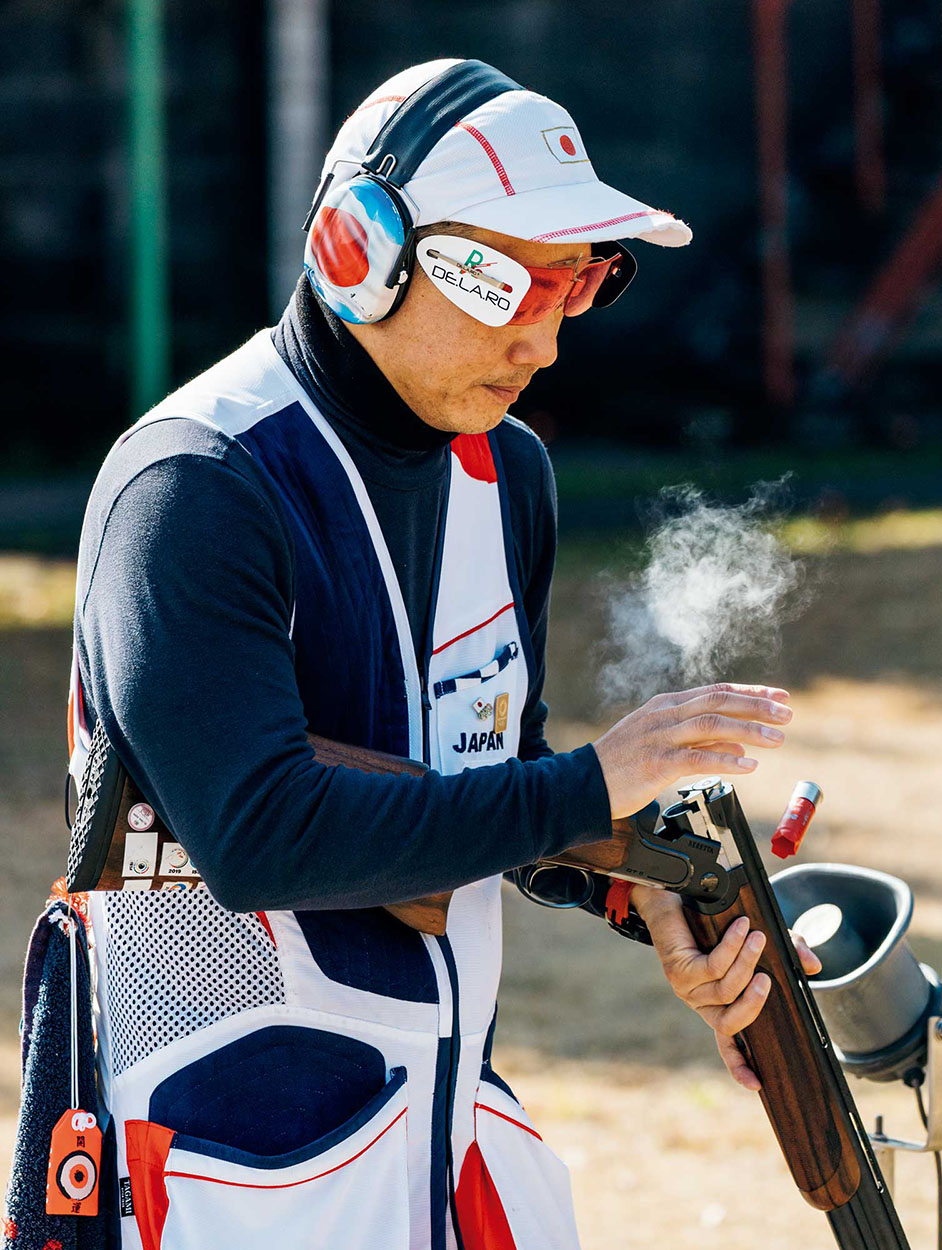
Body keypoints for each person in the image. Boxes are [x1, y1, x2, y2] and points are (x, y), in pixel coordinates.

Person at [61, 58, 815, 1250]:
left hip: (440, 1125)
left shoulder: (506, 473)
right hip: (213, 1158)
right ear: (359, 250)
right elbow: (262, 833)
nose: (546, 337)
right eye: (503, 278)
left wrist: (636, 886)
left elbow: (482, 780)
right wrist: (587, 787)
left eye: (578, 283)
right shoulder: (193, 485)